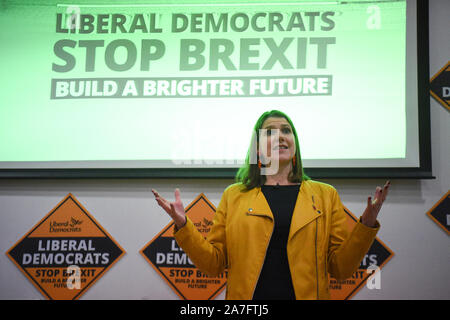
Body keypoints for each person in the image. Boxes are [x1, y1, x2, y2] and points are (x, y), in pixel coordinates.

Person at [152, 109, 390, 300]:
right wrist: (184, 226)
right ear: (257, 149)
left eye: (286, 130)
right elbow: (213, 264)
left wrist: (366, 226)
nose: (280, 136)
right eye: (269, 132)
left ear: (294, 144)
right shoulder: (234, 196)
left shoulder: (325, 195)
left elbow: (341, 269)